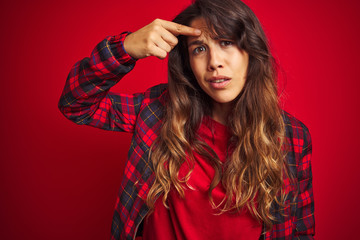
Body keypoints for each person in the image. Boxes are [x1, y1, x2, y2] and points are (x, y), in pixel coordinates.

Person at [58, 0, 315, 239]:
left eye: (226, 42)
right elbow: (76, 103)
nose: (214, 62)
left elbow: (300, 232)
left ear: (251, 50)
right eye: (200, 49)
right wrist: (125, 48)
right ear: (188, 62)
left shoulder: (292, 138)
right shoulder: (157, 111)